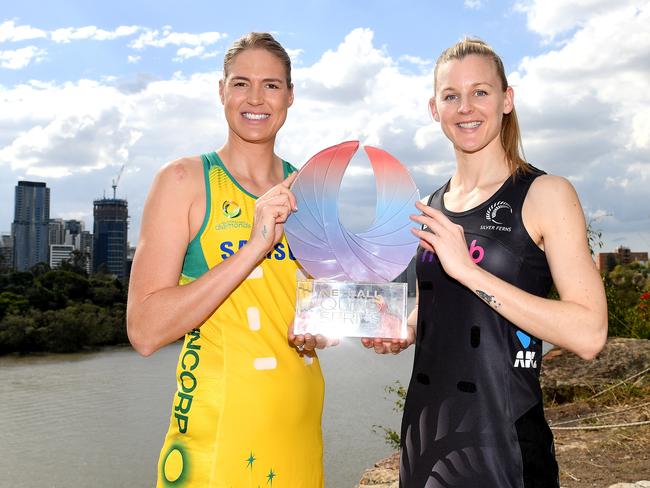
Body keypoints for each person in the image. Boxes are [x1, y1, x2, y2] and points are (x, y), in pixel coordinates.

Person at [363, 38, 608, 488]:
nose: (465, 107)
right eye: (450, 95)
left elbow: (589, 333)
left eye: (480, 91)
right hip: (426, 438)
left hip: (504, 441)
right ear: (434, 109)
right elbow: (444, 305)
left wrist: (469, 271)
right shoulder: (430, 205)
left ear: (506, 100)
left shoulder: (545, 194)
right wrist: (406, 328)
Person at [127, 32, 325, 487]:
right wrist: (256, 245)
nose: (256, 98)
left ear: (290, 96)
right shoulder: (184, 180)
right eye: (241, 83)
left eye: (271, 85)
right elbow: (144, 331)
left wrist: (323, 330)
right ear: (221, 91)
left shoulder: (310, 189)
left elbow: (312, 313)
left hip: (300, 439)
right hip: (218, 440)